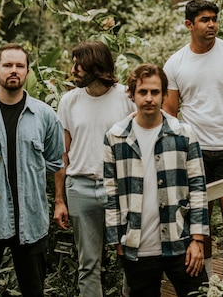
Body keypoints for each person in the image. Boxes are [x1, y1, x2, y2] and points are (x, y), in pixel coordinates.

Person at [163, 0, 223, 297]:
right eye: (205, 20)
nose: (212, 24)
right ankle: (207, 282)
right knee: (198, 219)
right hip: (193, 151)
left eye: (214, 19)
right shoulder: (175, 63)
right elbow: (169, 112)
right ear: (189, 25)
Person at [0, 43, 65, 297]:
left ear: (27, 72)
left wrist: (28, 171)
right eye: (7, 65)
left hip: (32, 221)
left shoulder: (45, 116)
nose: (13, 70)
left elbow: (54, 161)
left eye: (19, 65)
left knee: (33, 291)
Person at [103, 63, 209, 297]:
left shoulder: (184, 133)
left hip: (180, 241)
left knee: (201, 294)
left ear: (164, 95)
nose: (149, 98)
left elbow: (198, 188)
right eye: (142, 92)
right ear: (132, 94)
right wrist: (116, 240)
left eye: (155, 92)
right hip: (137, 246)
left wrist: (198, 239)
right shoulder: (115, 137)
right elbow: (110, 192)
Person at [53, 40, 136, 297]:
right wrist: (59, 200)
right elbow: (61, 155)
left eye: (80, 64)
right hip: (80, 187)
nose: (74, 69)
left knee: (132, 257)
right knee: (88, 264)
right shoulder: (69, 102)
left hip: (121, 187)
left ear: (97, 67)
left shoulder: (127, 98)